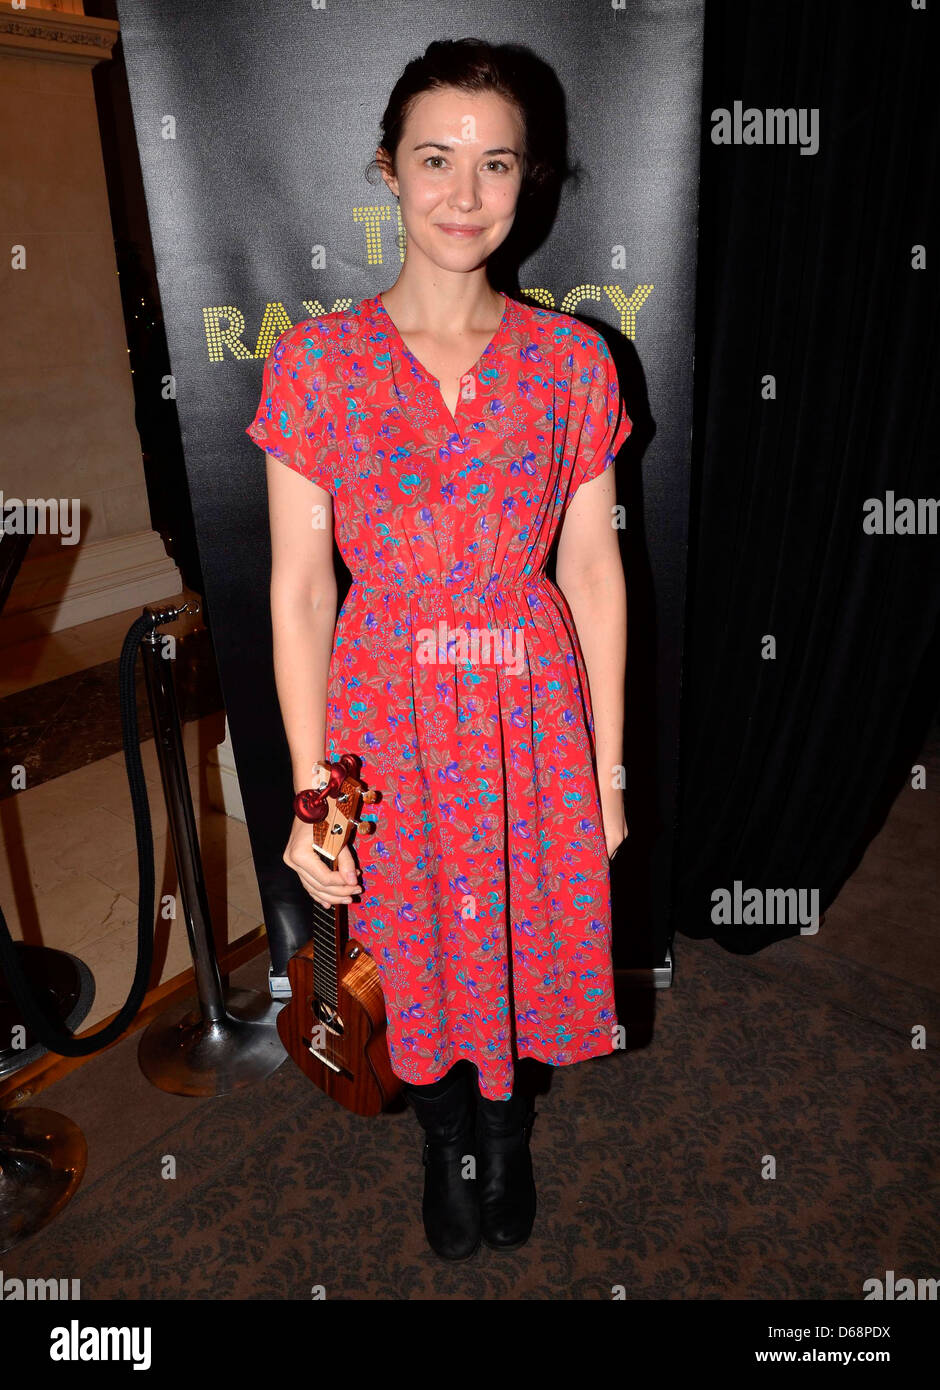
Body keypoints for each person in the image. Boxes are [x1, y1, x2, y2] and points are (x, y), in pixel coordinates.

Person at [246, 38, 632, 1262]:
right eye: (435, 159)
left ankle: (505, 1137)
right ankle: (445, 1139)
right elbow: (302, 591)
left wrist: (609, 773)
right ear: (386, 169)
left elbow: (591, 570)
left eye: (497, 164)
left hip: (528, 706)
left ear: (531, 183)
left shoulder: (575, 361)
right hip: (383, 711)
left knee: (524, 932)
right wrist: (314, 793)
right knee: (412, 943)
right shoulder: (317, 364)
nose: (465, 194)